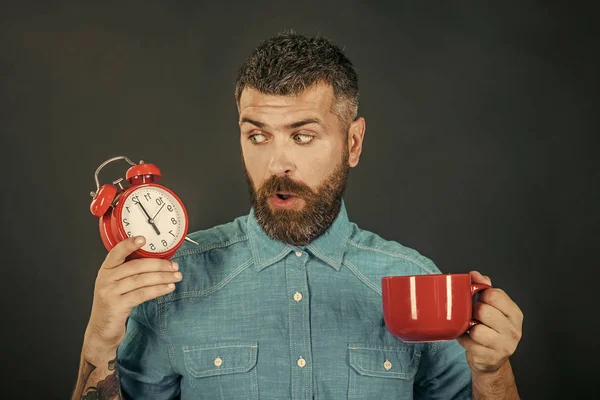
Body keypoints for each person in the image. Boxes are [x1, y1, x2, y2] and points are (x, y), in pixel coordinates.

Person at [72, 32, 523, 399]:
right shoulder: (172, 286)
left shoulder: (413, 281)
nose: (276, 164)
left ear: (353, 143)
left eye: (303, 136)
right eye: (258, 135)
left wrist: (493, 370)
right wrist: (99, 340)